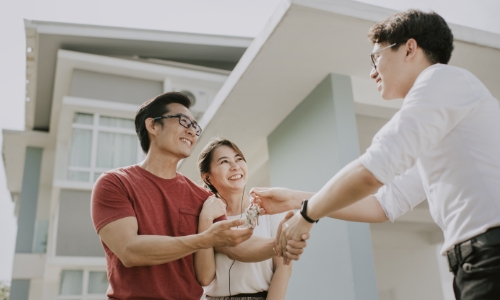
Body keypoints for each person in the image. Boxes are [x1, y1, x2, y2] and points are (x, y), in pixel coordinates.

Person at [251, 9, 500, 300]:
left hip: (489, 256)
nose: (372, 71)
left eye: (376, 57)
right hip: (478, 261)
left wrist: (305, 216)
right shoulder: (444, 112)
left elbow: (372, 171)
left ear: (409, 48)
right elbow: (384, 204)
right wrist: (295, 199)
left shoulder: (440, 80)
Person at [90, 92, 254, 300]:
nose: (192, 131)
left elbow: (208, 274)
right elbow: (130, 251)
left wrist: (294, 225)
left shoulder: (203, 198)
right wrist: (203, 240)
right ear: (153, 126)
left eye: (195, 126)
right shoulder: (115, 183)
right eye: (183, 121)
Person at [195, 137, 293, 300]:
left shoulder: (270, 209)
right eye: (224, 162)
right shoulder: (205, 216)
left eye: (239, 159)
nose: (235, 166)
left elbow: (284, 269)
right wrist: (205, 219)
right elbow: (205, 278)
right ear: (207, 178)